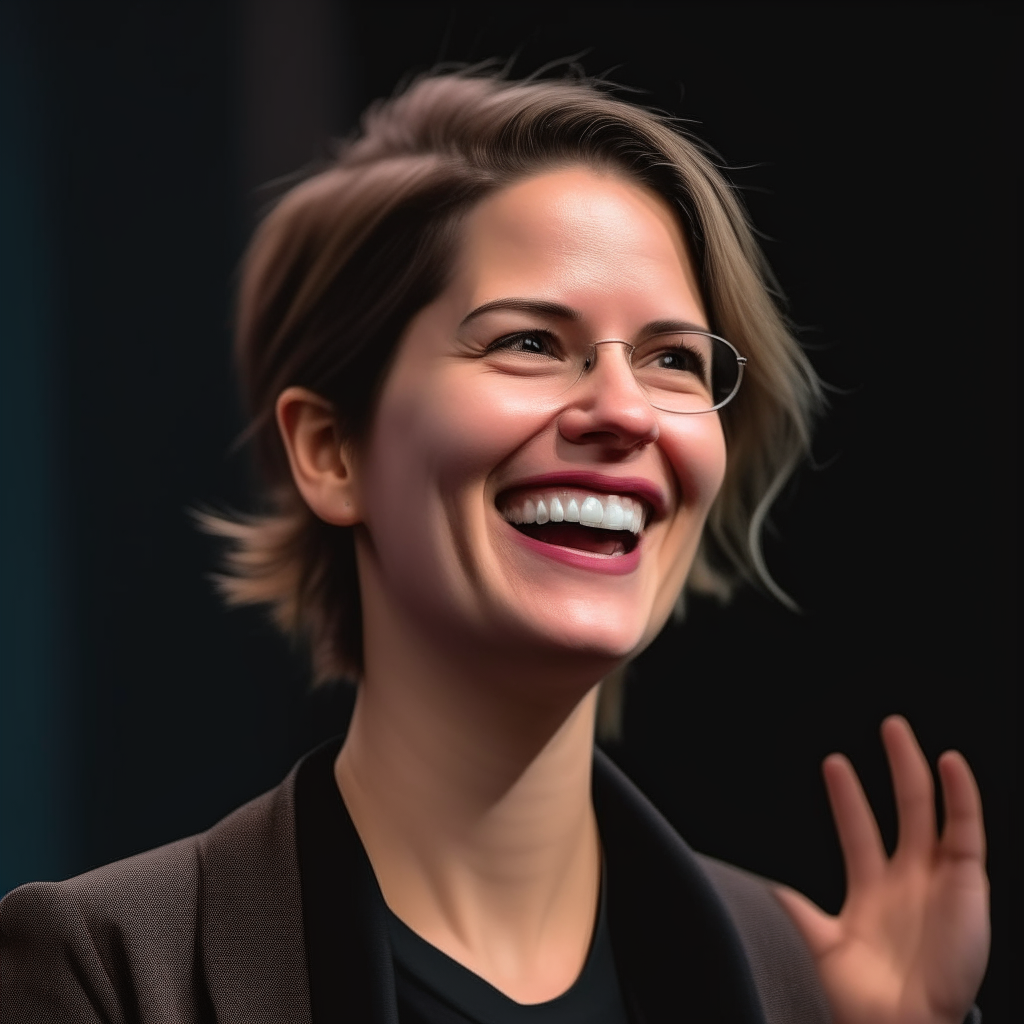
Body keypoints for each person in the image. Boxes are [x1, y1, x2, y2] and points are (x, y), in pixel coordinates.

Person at [0, 70, 989, 1024]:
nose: (622, 408)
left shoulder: (797, 981)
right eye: (528, 342)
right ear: (329, 449)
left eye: (673, 359)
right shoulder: (105, 968)